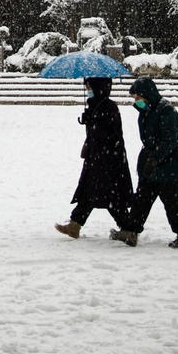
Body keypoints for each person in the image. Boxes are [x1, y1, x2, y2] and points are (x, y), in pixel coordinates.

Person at [110, 77, 178, 248]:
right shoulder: (146, 111)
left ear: (147, 94)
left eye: (138, 98)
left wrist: (156, 157)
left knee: (173, 202)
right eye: (134, 98)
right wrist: (149, 159)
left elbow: (171, 139)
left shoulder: (166, 110)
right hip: (151, 163)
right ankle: (130, 231)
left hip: (169, 164)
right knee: (142, 199)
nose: (136, 101)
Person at [55, 76, 132, 238]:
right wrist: (88, 121)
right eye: (87, 86)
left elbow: (112, 134)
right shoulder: (94, 105)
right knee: (89, 192)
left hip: (109, 160)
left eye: (90, 86)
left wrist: (94, 122)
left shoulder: (109, 106)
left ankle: (128, 228)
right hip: (96, 158)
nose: (88, 90)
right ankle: (75, 225)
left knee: (110, 195)